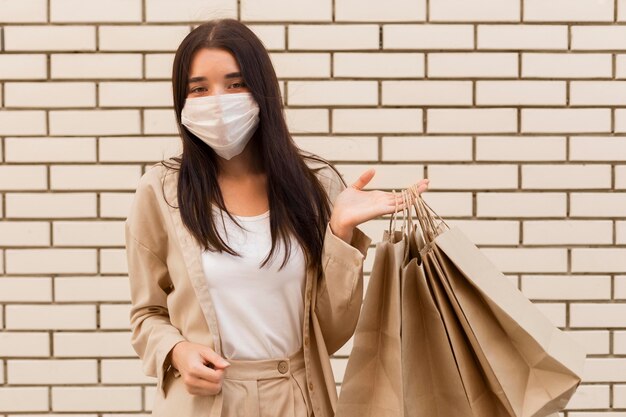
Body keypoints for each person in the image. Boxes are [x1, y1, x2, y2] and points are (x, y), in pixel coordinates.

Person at [124, 17, 430, 417]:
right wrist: (176, 351)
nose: (218, 100)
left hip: (297, 400)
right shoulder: (161, 192)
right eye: (199, 88)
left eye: (236, 84)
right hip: (202, 403)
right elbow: (147, 313)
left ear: (262, 90)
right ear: (182, 101)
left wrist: (340, 231)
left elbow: (331, 332)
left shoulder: (315, 186)